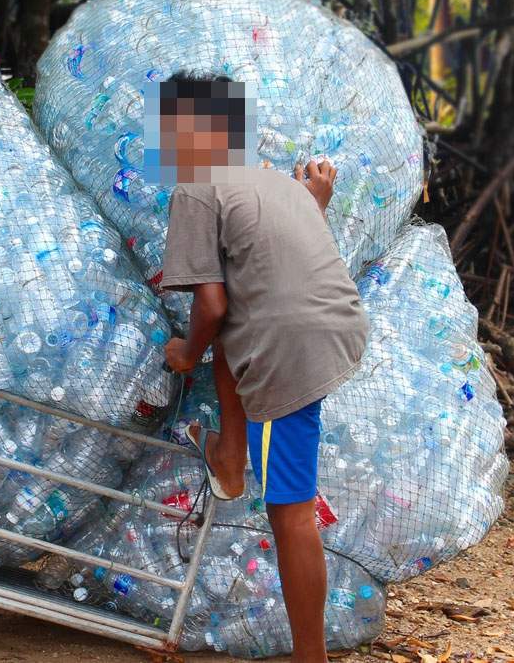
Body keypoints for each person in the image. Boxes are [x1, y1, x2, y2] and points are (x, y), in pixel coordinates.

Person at [156, 73, 369, 662]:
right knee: (234, 331)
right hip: (334, 324)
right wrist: (316, 203)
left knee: (290, 512)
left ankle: (310, 658)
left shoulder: (197, 189)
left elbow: (211, 305)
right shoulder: (279, 184)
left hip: (290, 347)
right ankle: (229, 453)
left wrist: (187, 353)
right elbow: (273, 265)